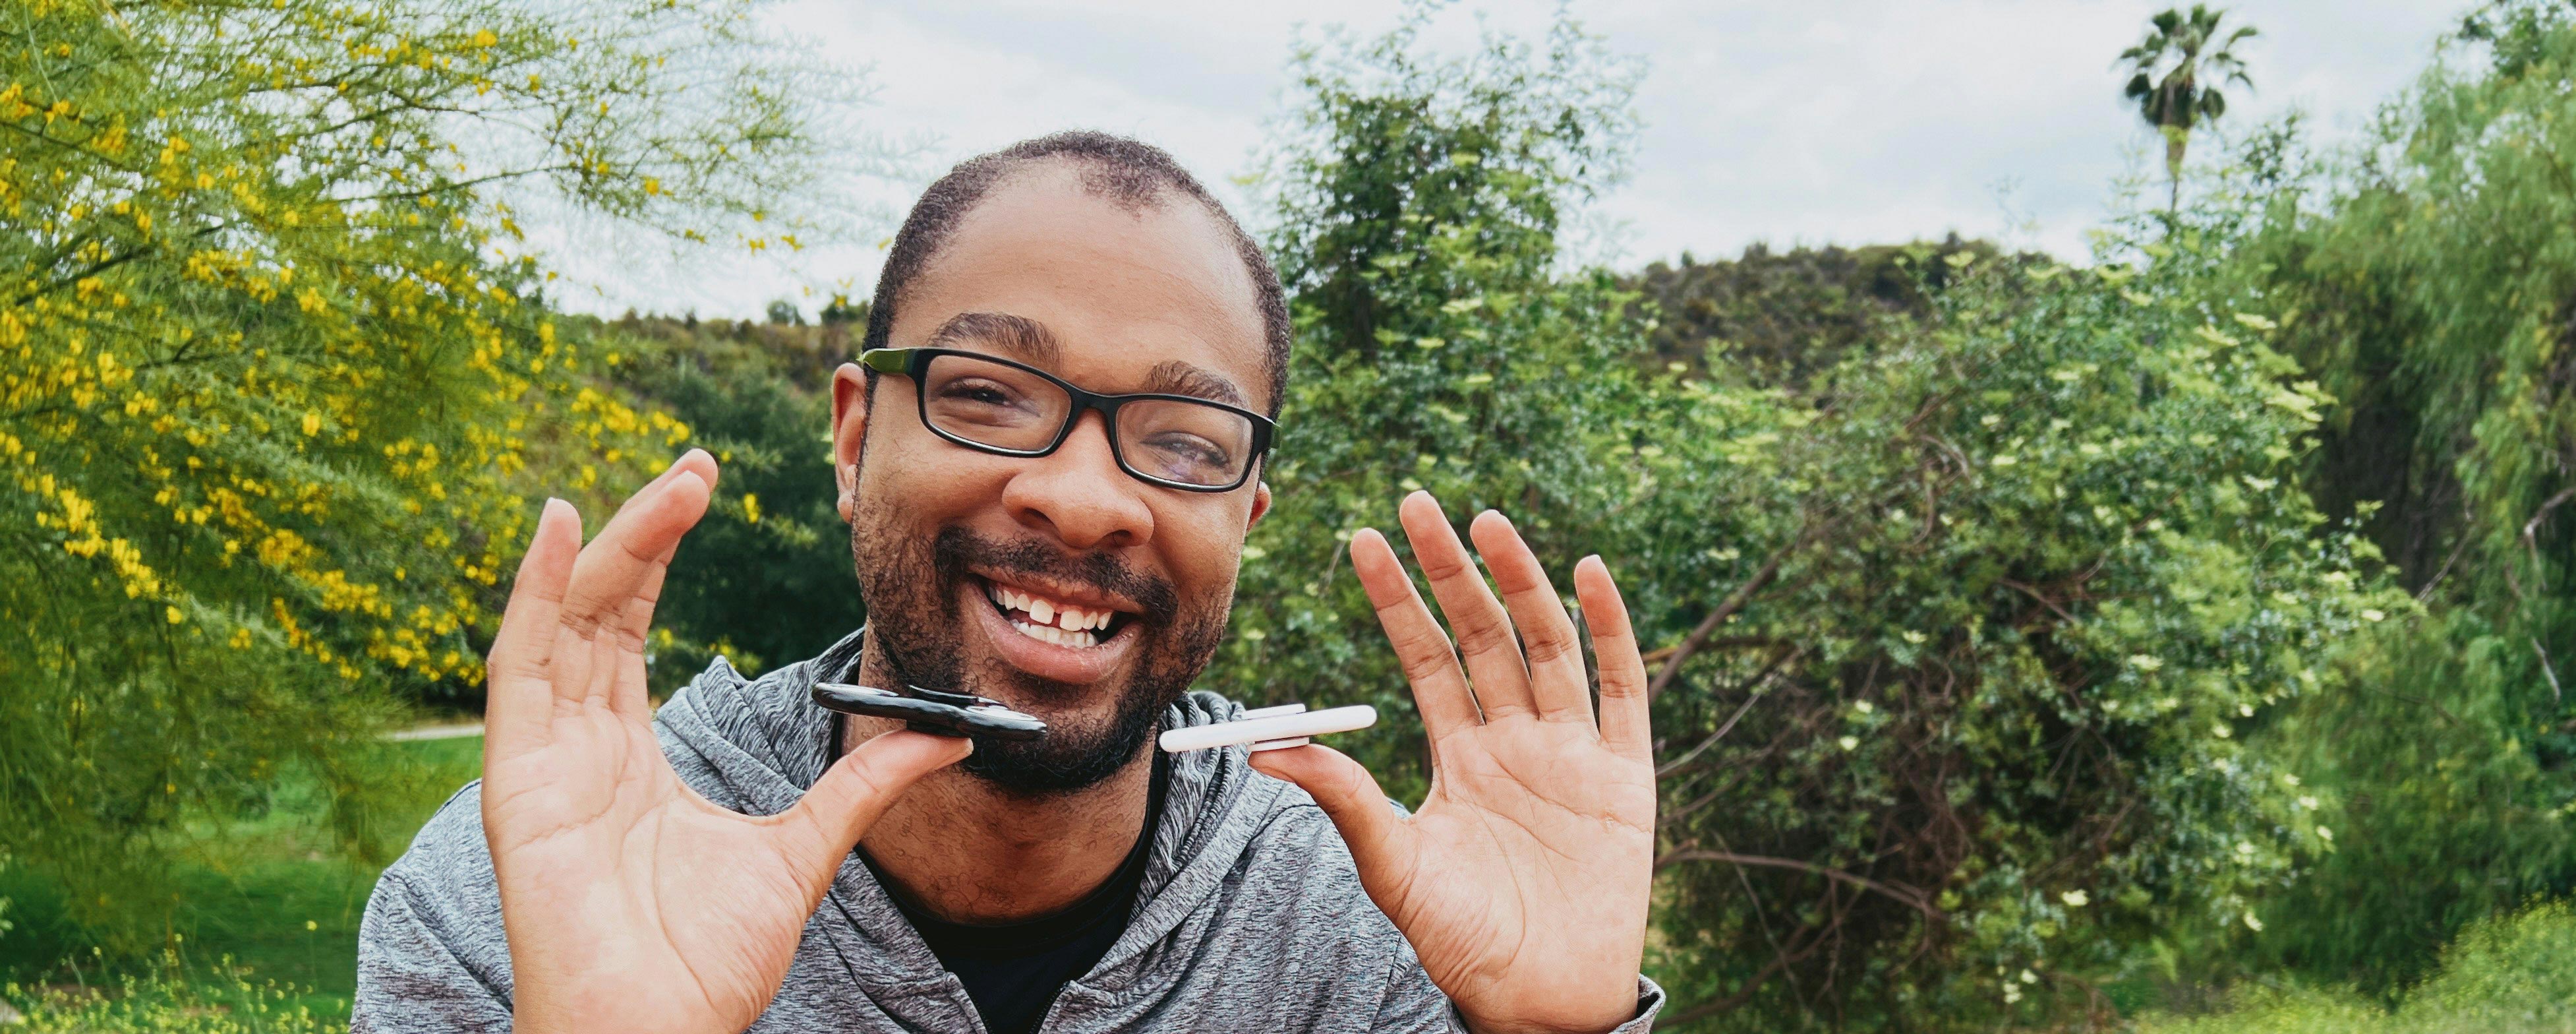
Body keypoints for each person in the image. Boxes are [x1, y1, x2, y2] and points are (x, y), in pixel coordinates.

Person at [355, 132, 1662, 1034]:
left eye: (1184, 440)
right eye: (987, 395)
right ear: (856, 438)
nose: (1087, 497)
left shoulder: (1362, 923)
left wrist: (1555, 1027)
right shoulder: (535, 888)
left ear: (1246, 517)